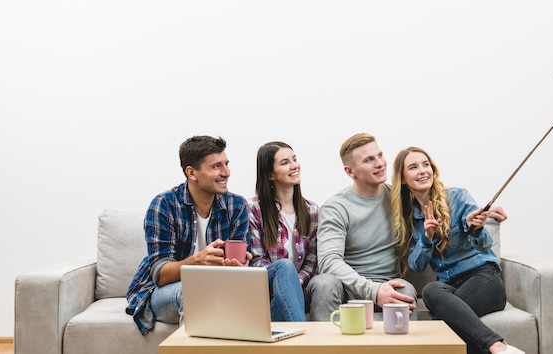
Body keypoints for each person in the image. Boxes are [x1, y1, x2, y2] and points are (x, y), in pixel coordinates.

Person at [390, 146, 523, 354]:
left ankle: (498, 346)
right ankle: (499, 348)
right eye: (414, 167)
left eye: (426, 165)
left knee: (444, 324)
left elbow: (485, 244)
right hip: (450, 287)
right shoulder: (408, 218)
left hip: (484, 279)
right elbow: (416, 264)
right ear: (403, 179)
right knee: (430, 291)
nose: (423, 171)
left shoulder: (458, 197)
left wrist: (475, 227)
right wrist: (428, 237)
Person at [126, 135, 251, 335]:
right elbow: (160, 274)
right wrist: (196, 261)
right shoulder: (164, 204)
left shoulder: (237, 206)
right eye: (216, 166)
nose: (226, 173)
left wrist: (242, 266)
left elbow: (238, 266)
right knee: (194, 293)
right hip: (166, 291)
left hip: (219, 287)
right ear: (192, 173)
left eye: (226, 164)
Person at [314, 133, 417, 321]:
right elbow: (329, 261)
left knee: (406, 289)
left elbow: (437, 197)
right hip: (348, 290)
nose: (379, 163)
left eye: (380, 155)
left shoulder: (399, 197)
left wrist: (478, 212)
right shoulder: (336, 207)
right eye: (369, 160)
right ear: (350, 171)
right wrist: (374, 290)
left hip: (389, 286)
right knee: (324, 283)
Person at [248, 141, 322, 321]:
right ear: (270, 174)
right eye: (285, 162)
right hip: (266, 287)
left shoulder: (311, 210)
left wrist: (294, 282)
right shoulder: (254, 208)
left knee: (282, 298)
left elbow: (312, 260)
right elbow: (257, 261)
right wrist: (284, 280)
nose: (294, 165)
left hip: (299, 291)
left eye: (294, 159)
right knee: (284, 266)